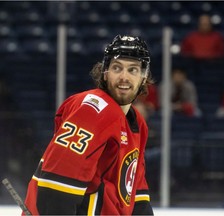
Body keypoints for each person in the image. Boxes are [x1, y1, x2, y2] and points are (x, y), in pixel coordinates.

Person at [23, 35, 154, 215]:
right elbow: (56, 186)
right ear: (105, 72)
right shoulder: (93, 108)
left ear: (143, 77)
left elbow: (136, 196)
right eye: (117, 68)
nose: (124, 77)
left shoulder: (137, 123)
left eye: (133, 70)